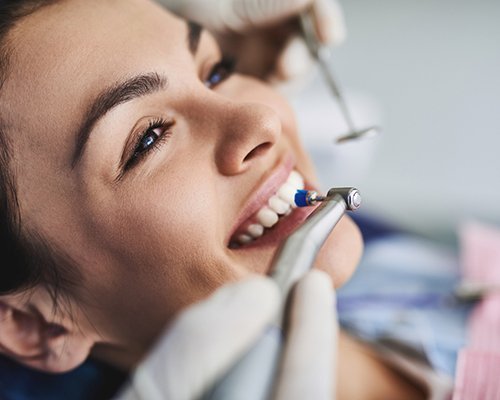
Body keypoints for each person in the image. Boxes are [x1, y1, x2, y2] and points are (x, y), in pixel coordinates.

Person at [0, 0, 468, 399]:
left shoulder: (424, 264)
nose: (262, 119)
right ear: (34, 325)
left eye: (217, 70)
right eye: (148, 140)